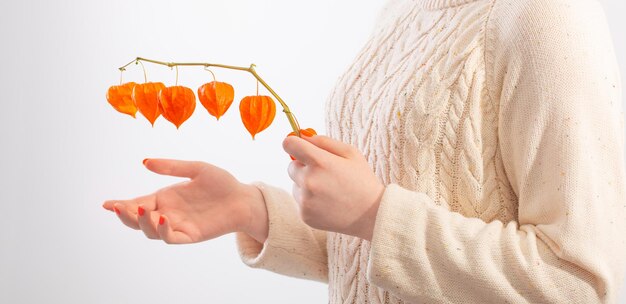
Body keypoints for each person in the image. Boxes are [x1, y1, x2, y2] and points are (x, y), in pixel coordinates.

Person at [102, 0, 626, 302]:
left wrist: (377, 214)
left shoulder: (547, 18)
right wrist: (253, 211)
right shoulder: (405, 8)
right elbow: (387, 257)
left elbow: (580, 282)